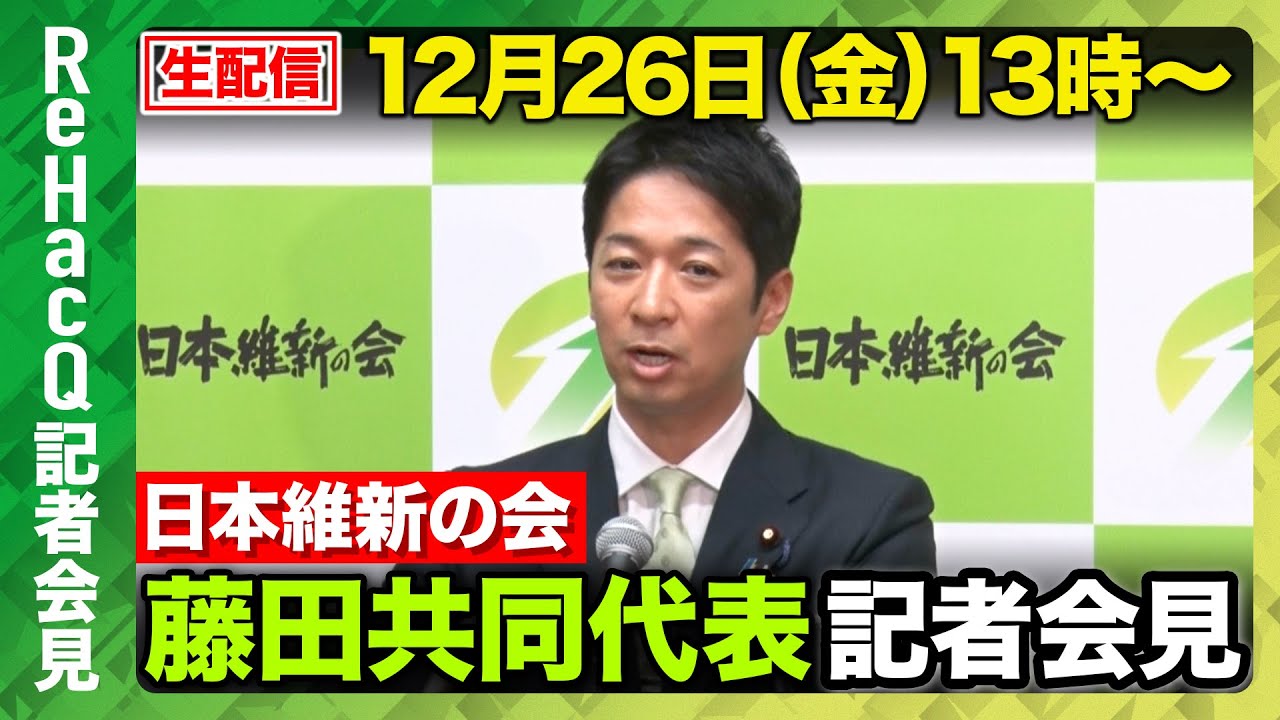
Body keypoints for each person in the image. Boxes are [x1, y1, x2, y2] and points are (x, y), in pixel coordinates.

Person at [444, 118, 934, 584]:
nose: (650, 306)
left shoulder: (870, 520)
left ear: (771, 300)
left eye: (697, 270)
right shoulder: (473, 518)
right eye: (624, 264)